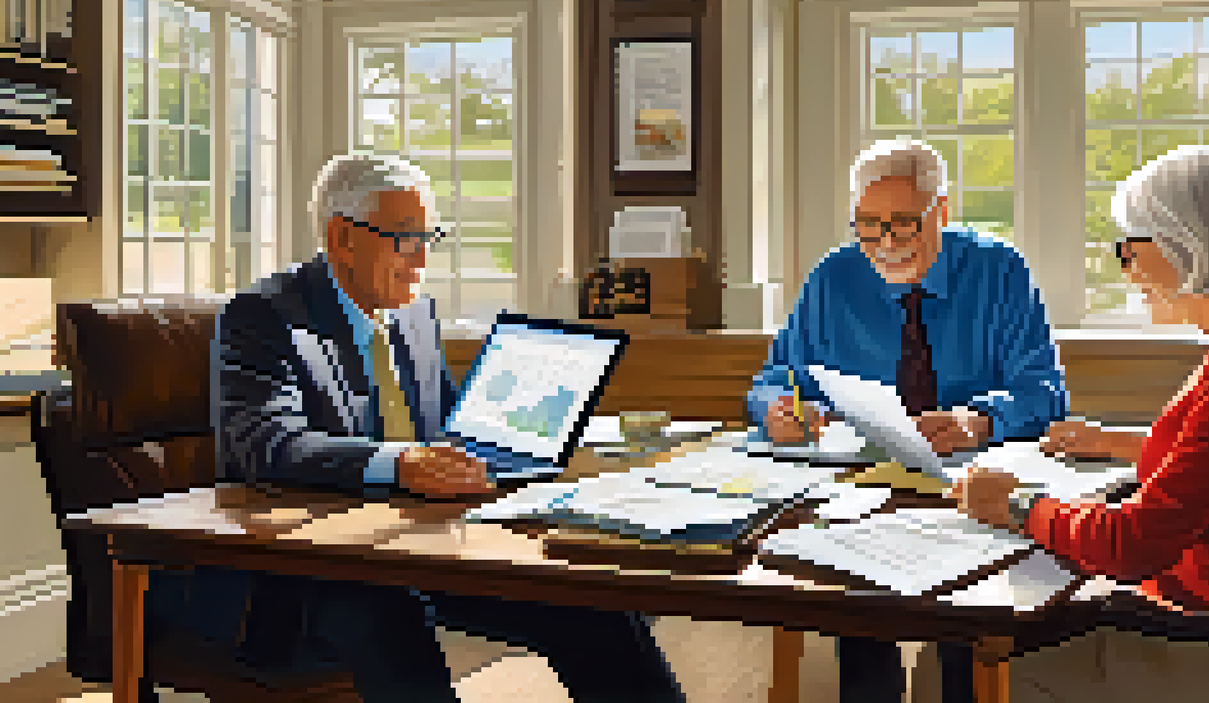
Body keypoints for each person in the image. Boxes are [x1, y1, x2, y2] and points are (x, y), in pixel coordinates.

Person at [147, 154, 685, 703]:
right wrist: (399, 463)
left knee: (590, 603)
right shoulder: (263, 318)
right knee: (388, 611)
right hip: (304, 569)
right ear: (342, 238)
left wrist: (516, 445)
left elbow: (444, 429)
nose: (422, 258)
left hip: (418, 544)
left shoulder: (413, 314)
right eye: (406, 239)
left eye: (430, 237)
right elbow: (269, 444)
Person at [952, 145, 1209, 703]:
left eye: (1131, 249)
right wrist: (1111, 443)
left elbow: (1132, 544)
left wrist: (1016, 504)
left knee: (958, 666)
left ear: (1190, 244)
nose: (1126, 268)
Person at [746, 139, 1071, 703]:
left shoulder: (999, 270)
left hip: (969, 493)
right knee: (855, 607)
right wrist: (778, 410)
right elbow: (774, 378)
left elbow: (1045, 392)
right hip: (858, 490)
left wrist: (980, 419)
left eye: (903, 224)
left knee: (964, 621)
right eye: (868, 225)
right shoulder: (833, 276)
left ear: (941, 210)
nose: (886, 244)